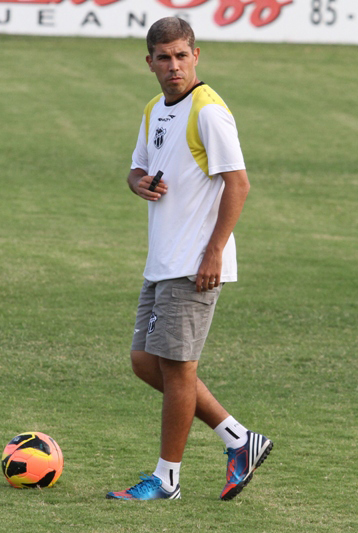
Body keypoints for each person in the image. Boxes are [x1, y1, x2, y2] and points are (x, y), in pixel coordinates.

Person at [106, 16, 272, 501]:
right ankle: (239, 439)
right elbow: (138, 167)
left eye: (182, 55)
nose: (174, 65)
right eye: (164, 57)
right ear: (150, 62)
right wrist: (138, 182)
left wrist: (214, 253)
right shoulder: (156, 108)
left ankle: (167, 479)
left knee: (178, 370)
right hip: (162, 260)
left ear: (196, 55)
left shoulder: (209, 111)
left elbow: (238, 183)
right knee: (144, 363)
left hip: (194, 263)